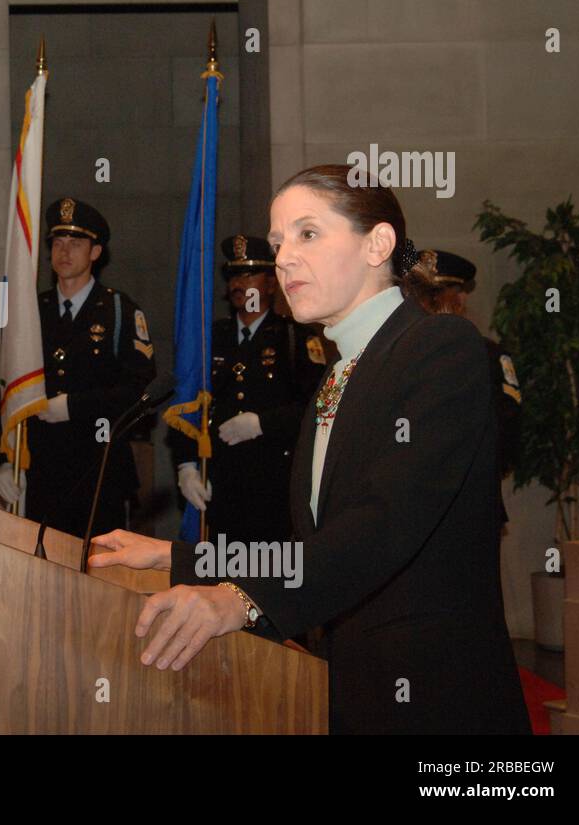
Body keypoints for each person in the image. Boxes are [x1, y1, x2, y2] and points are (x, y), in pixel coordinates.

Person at [91, 165, 530, 734]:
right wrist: (176, 558)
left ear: (378, 244)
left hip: (438, 702)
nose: (283, 259)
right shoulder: (340, 371)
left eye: (307, 234)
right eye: (278, 243)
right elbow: (317, 547)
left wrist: (241, 601)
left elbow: (384, 524)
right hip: (352, 685)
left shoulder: (438, 347)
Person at [0, 197, 155, 539]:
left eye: (76, 243)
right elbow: (9, 389)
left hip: (99, 469)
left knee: (100, 577)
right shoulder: (31, 311)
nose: (64, 252)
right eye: (57, 243)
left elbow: (138, 391)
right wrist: (7, 460)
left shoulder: (119, 312)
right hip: (42, 469)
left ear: (95, 252)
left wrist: (72, 406)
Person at [168, 235, 325, 544]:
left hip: (274, 486)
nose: (239, 283)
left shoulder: (295, 338)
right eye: (234, 275)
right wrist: (186, 465)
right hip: (219, 483)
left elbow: (317, 407)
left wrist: (262, 424)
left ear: (270, 283)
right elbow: (186, 402)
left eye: (249, 274)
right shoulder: (210, 338)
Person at [414, 249, 522, 524]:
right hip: (414, 504)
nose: (428, 303)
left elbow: (507, 420)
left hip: (471, 498)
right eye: (425, 296)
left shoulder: (487, 354)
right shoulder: (400, 355)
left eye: (445, 293)